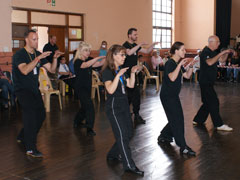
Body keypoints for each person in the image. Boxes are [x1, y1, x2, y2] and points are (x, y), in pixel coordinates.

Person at [12, 29, 63, 158]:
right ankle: (30, 148)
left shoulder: (37, 53)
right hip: (22, 90)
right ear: (26, 40)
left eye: (37, 39)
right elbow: (24, 70)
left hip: (34, 89)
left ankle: (23, 135)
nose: (36, 41)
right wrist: (38, 58)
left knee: (41, 115)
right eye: (34, 39)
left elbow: (51, 69)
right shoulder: (19, 55)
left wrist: (55, 59)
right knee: (30, 116)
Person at [102, 44, 144, 176]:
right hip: (114, 107)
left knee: (129, 133)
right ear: (113, 56)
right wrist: (117, 75)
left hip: (124, 105)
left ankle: (112, 154)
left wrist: (132, 73)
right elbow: (110, 89)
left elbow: (130, 85)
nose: (124, 57)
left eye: (125, 54)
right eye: (122, 54)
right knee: (121, 136)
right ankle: (129, 165)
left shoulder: (120, 69)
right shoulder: (108, 71)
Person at [158, 41, 196, 156]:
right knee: (177, 120)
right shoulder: (170, 63)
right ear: (176, 51)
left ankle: (164, 136)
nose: (185, 51)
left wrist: (191, 66)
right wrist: (180, 65)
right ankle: (183, 147)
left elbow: (187, 76)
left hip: (173, 96)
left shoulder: (176, 63)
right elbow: (172, 78)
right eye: (183, 50)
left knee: (175, 118)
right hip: (167, 96)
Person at [193, 35, 234, 131]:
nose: (219, 43)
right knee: (214, 102)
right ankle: (219, 124)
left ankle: (198, 120)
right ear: (211, 42)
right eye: (217, 42)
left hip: (208, 82)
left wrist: (227, 53)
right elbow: (210, 62)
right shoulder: (205, 52)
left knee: (207, 103)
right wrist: (221, 53)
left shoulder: (213, 52)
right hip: (205, 81)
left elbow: (221, 60)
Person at [123, 28, 158, 125]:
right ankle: (131, 114)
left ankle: (134, 114)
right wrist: (139, 44)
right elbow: (129, 52)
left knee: (134, 95)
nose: (136, 36)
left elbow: (146, 51)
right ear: (129, 35)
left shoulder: (135, 45)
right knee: (132, 95)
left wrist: (153, 45)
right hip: (127, 74)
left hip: (134, 74)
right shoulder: (125, 45)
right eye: (135, 34)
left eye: (137, 34)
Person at [73, 41, 105, 136]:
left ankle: (77, 121)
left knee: (84, 107)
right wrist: (98, 57)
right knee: (90, 107)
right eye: (86, 50)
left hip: (87, 88)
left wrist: (108, 57)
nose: (88, 52)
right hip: (80, 88)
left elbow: (99, 64)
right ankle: (89, 128)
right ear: (81, 51)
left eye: (89, 50)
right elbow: (86, 65)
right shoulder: (77, 62)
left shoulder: (88, 61)